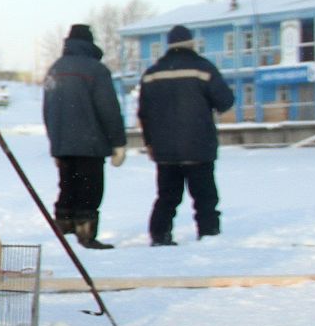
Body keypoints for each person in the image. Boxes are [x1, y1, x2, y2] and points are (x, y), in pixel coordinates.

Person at [138, 23, 235, 246]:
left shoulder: (152, 74)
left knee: (167, 196)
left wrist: (150, 143)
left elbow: (143, 113)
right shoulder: (203, 69)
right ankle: (208, 234)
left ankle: (160, 235)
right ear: (191, 44)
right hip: (199, 146)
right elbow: (226, 101)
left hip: (164, 150)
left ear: (169, 46)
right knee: (205, 197)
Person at [42, 21, 127, 250]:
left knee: (67, 186)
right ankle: (85, 234)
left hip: (63, 145)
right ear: (90, 43)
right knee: (90, 189)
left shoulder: (56, 69)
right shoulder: (95, 69)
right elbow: (108, 108)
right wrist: (118, 142)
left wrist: (55, 142)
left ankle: (63, 232)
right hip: (91, 144)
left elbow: (48, 110)